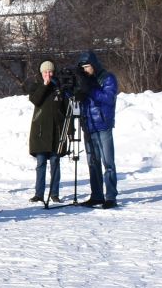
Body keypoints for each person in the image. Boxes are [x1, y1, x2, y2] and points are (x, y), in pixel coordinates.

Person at [75, 49, 119, 208]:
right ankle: (97, 195)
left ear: (94, 64)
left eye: (87, 66)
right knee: (93, 163)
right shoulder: (84, 80)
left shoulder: (107, 78)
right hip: (88, 125)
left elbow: (108, 98)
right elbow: (76, 99)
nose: (85, 70)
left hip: (103, 124)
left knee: (108, 162)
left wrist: (90, 89)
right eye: (83, 67)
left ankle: (111, 196)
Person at [26, 60, 67, 205]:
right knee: (41, 163)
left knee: (55, 162)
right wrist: (45, 84)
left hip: (56, 131)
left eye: (50, 72)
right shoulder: (36, 86)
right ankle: (39, 194)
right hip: (40, 132)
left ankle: (54, 193)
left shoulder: (59, 87)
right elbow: (36, 100)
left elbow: (65, 109)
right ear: (41, 73)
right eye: (45, 72)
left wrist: (68, 131)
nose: (48, 75)